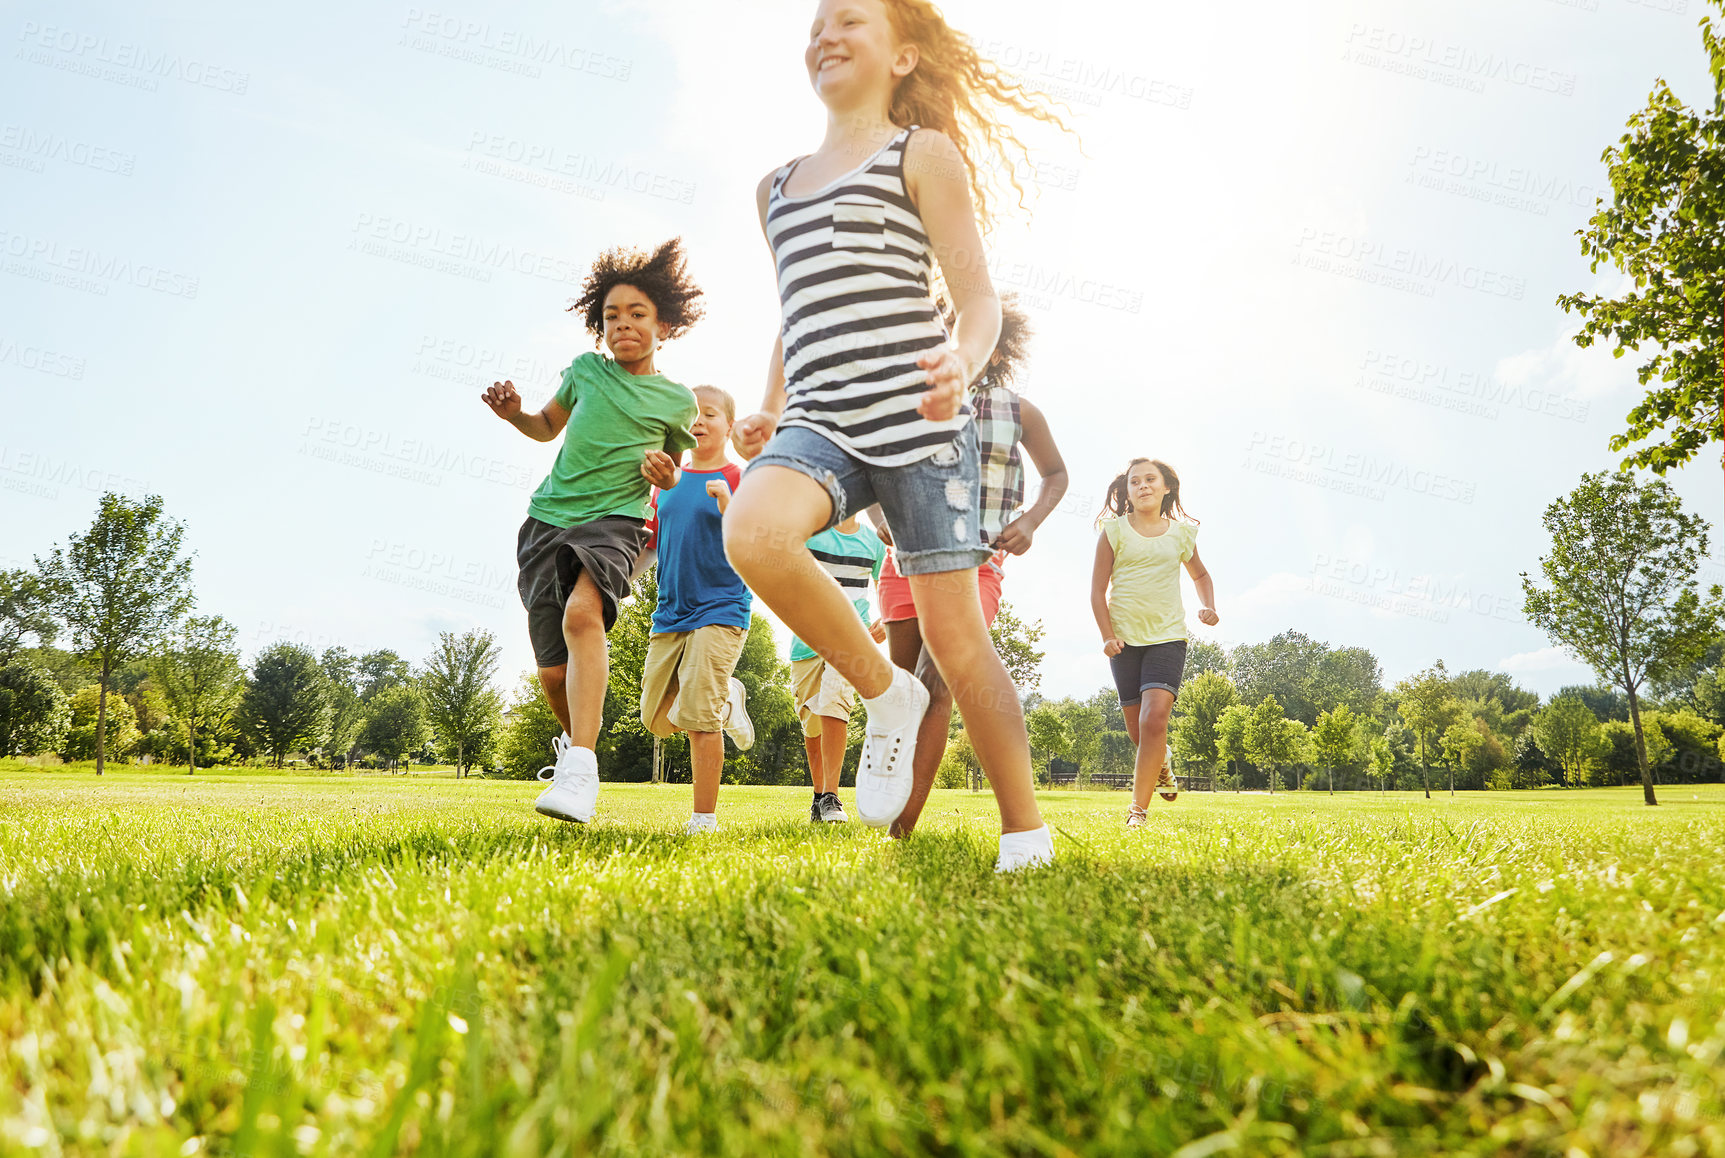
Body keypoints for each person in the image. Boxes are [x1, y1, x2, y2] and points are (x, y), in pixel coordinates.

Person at [722, 0, 1070, 871]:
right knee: (753, 532)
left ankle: (1024, 832)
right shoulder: (774, 188)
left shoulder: (920, 154)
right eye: (815, 26)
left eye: (851, 21)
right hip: (819, 420)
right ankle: (887, 694)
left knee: (958, 640)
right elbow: (794, 311)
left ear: (904, 54)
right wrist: (769, 402)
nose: (825, 35)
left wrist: (962, 356)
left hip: (918, 420)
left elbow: (976, 293)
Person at [481, 239, 701, 824]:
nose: (622, 325)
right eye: (611, 315)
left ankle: (579, 766)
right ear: (597, 324)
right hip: (547, 520)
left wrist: (667, 473)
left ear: (665, 324)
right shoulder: (583, 372)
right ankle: (580, 753)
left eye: (637, 314)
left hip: (616, 523)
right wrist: (514, 415)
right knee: (553, 672)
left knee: (584, 617)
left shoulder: (677, 400)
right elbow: (545, 427)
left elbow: (674, 470)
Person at [875, 296, 1069, 836]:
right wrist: (874, 514)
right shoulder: (904, 400)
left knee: (939, 683)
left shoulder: (1018, 411)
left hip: (977, 563)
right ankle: (886, 796)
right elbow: (863, 463)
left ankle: (901, 828)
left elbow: (1056, 474)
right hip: (906, 561)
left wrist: (1030, 521)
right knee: (904, 689)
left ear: (997, 344)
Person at [638, 385, 757, 835]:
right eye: (692, 414)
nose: (699, 421)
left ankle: (703, 819)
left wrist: (728, 504)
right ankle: (728, 699)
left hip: (722, 607)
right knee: (657, 718)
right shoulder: (665, 482)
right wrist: (617, 585)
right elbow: (650, 546)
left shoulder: (741, 477)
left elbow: (757, 541)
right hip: (670, 611)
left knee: (699, 718)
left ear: (729, 425)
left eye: (710, 414)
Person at [1089, 458, 1219, 828]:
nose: (1143, 486)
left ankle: (1137, 812)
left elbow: (1201, 574)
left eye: (1150, 479)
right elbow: (1097, 591)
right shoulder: (1113, 531)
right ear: (1126, 491)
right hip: (1124, 642)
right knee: (1137, 731)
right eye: (1135, 482)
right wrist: (1107, 636)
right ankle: (1162, 763)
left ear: (1166, 488)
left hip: (1168, 638)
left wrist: (1208, 605)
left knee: (1154, 720)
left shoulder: (1181, 534)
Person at [788, 513, 888, 823]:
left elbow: (886, 585)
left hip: (851, 637)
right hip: (806, 640)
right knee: (811, 723)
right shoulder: (809, 532)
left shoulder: (873, 542)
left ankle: (832, 795)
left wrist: (886, 620)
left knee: (835, 701)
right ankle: (819, 797)